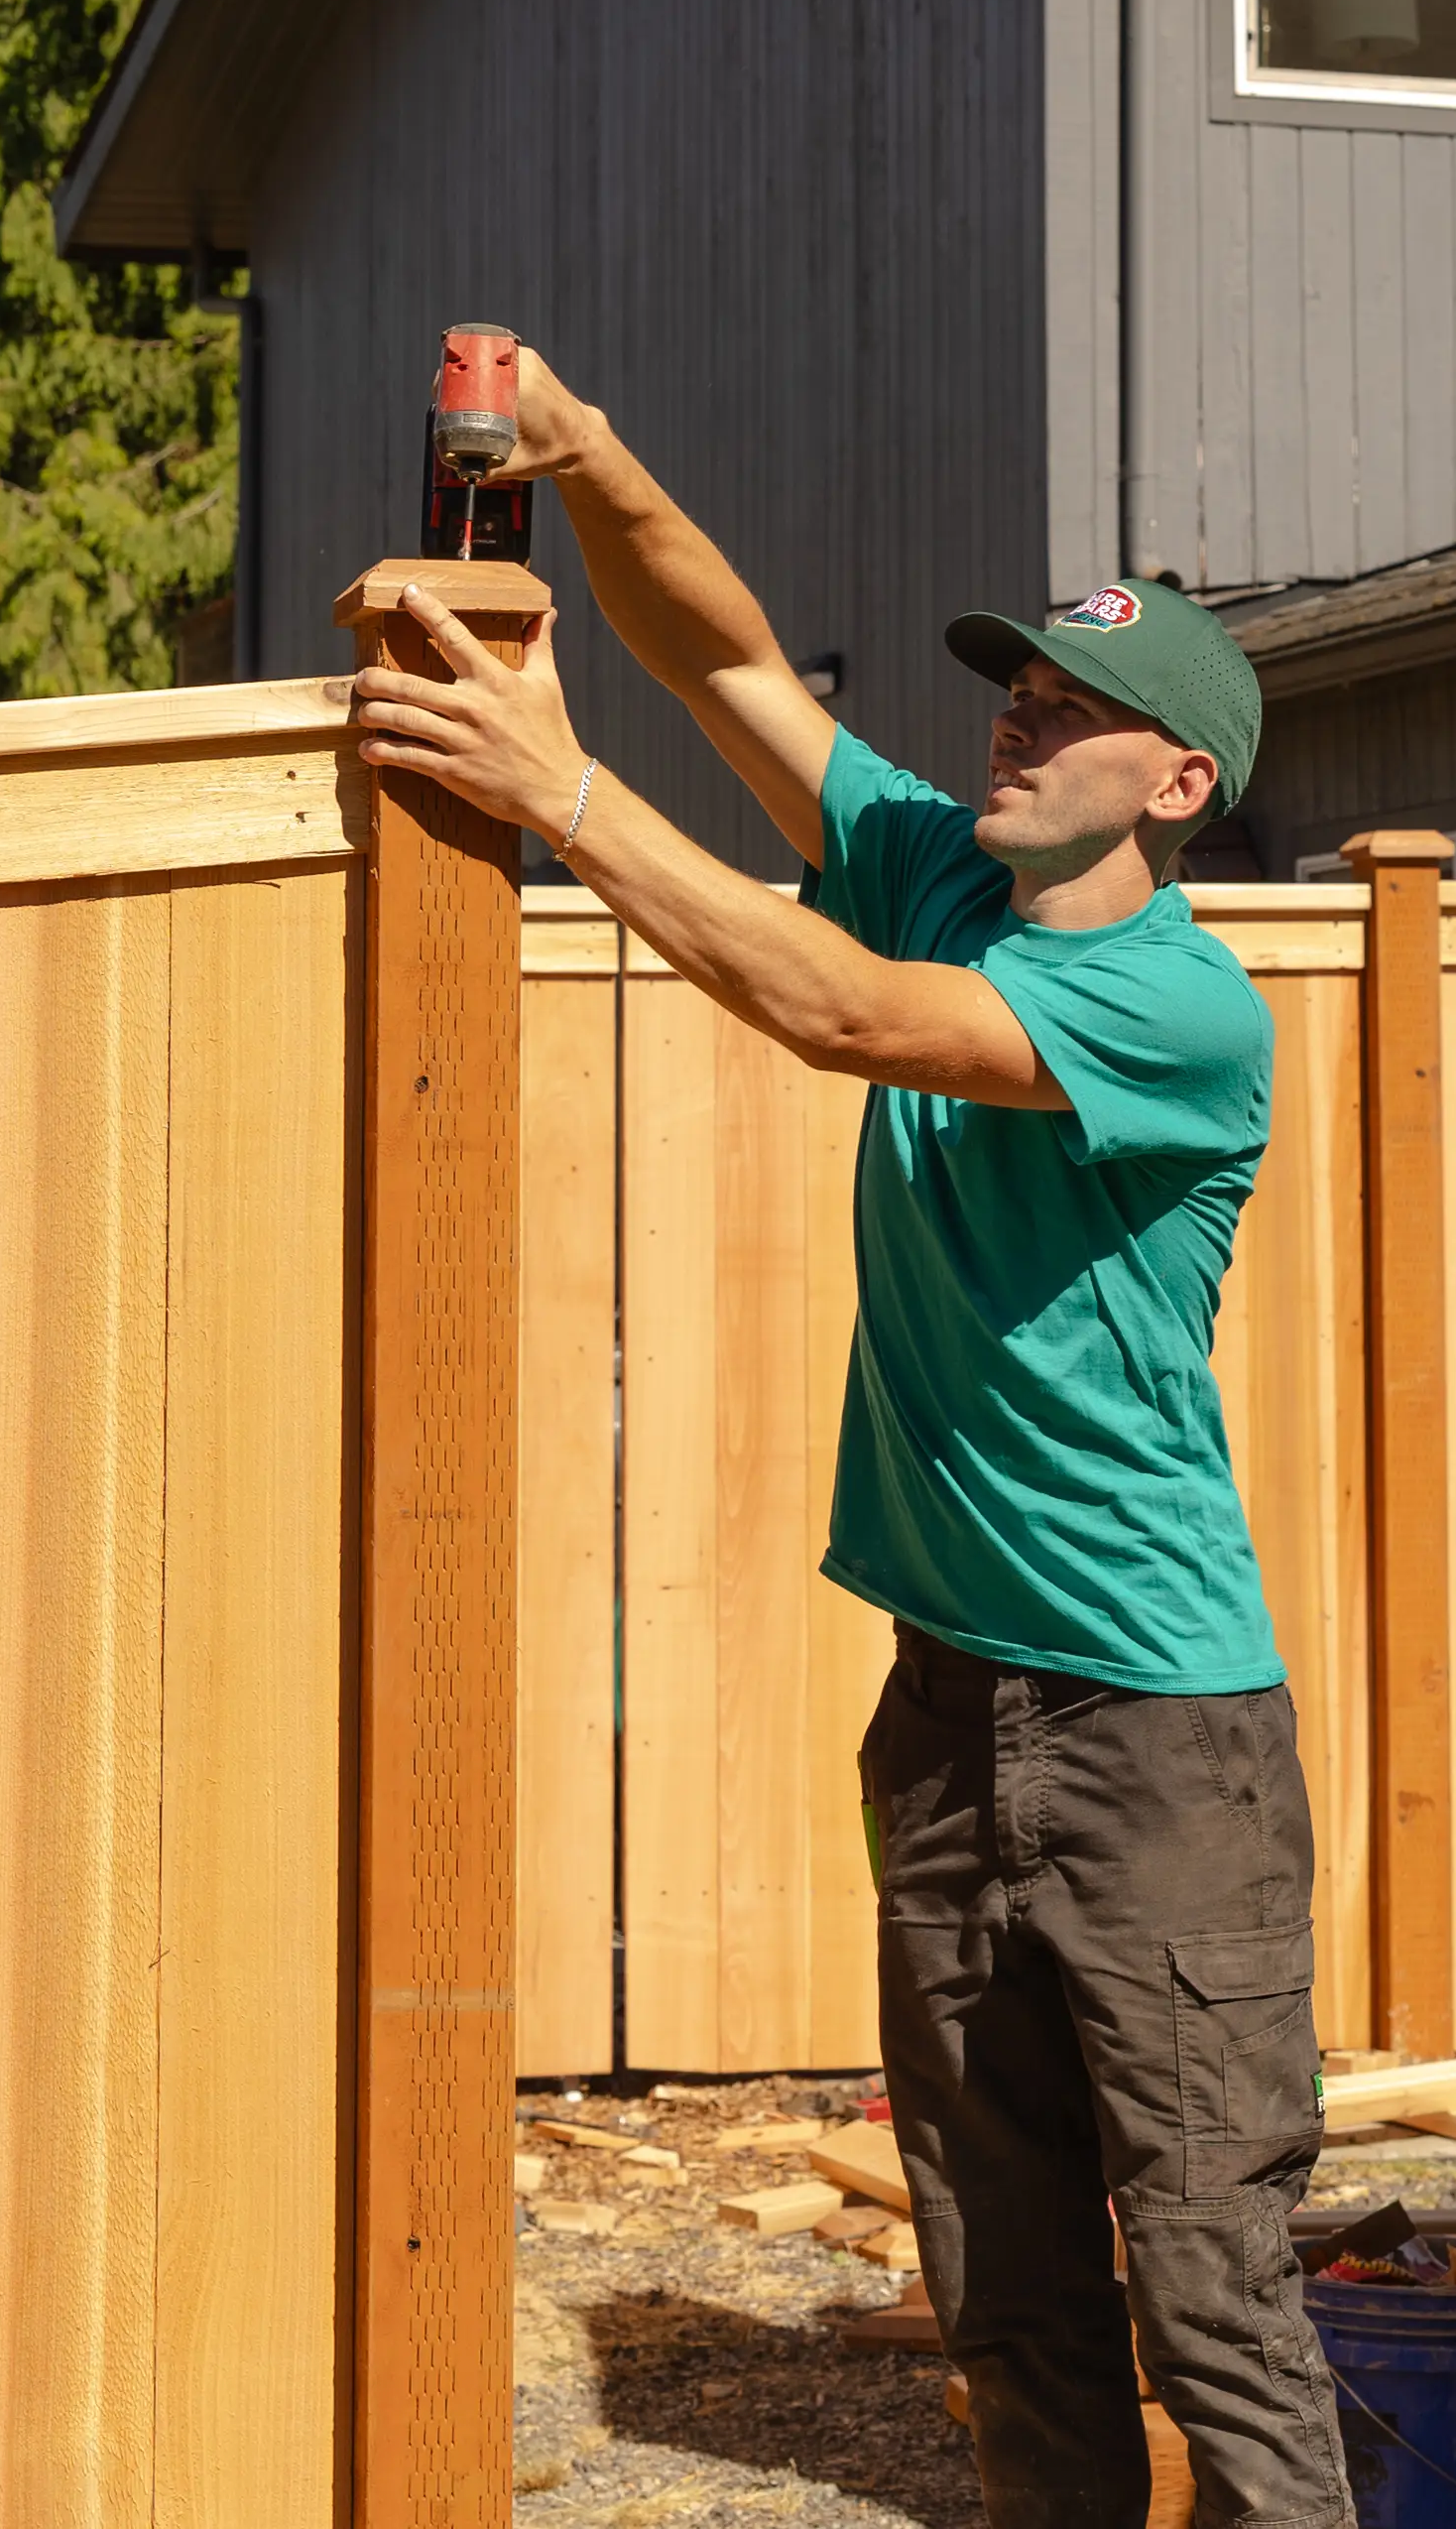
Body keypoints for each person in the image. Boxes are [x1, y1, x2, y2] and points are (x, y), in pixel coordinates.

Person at [343, 343, 1351, 2529]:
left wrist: (567, 805)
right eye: (1012, 686)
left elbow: (836, 1015)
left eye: (1067, 710)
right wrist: (599, 454)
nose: (1013, 717)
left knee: (1212, 2294)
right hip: (951, 1707)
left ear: (1176, 783)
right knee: (1005, 2297)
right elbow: (717, 653)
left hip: (1159, 1741)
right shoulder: (947, 870)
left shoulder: (1181, 1007)